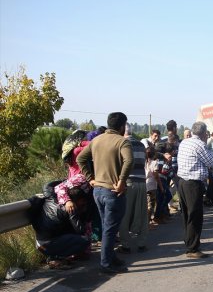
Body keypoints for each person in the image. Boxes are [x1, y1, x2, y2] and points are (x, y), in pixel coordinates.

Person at [77, 112, 133, 274]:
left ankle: (111, 257)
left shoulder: (96, 140)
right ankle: (106, 263)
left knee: (107, 227)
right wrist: (122, 181)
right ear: (122, 126)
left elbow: (81, 158)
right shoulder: (122, 142)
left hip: (98, 191)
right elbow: (129, 161)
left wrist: (90, 178)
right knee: (110, 228)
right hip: (113, 191)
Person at [31, 178, 92, 269]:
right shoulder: (70, 209)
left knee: (69, 234)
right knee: (85, 240)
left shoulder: (51, 197)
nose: (84, 204)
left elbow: (47, 185)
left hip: (40, 242)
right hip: (48, 245)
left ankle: (55, 255)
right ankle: (57, 257)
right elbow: (80, 231)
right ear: (76, 200)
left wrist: (67, 182)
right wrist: (80, 213)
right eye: (82, 202)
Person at [176, 121, 213, 258]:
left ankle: (190, 241)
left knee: (187, 214)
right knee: (195, 215)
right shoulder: (200, 144)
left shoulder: (185, 142)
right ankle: (192, 248)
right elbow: (211, 162)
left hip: (182, 181)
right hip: (193, 183)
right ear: (204, 133)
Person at [118, 136, 149, 253]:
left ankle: (125, 245)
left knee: (125, 214)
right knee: (142, 213)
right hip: (142, 182)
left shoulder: (122, 143)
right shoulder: (141, 145)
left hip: (128, 182)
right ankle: (142, 243)